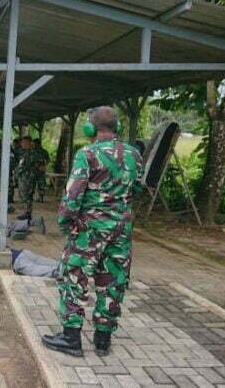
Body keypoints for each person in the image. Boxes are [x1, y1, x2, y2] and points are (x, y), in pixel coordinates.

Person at [42, 106, 143, 357]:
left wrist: (66, 224)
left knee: (74, 277)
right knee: (113, 281)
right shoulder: (134, 154)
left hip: (90, 229)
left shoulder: (86, 154)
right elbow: (137, 190)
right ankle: (102, 340)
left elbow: (73, 194)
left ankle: (71, 338)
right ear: (116, 127)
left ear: (91, 127)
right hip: (121, 230)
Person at [16, 137, 42, 219]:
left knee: (27, 196)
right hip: (23, 178)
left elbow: (41, 166)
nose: (22, 144)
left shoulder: (33, 153)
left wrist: (35, 175)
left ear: (29, 143)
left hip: (29, 179)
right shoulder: (24, 153)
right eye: (22, 143)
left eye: (24, 142)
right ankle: (26, 212)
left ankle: (27, 213)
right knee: (24, 196)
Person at [33, 138, 50, 202]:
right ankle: (33, 197)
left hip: (40, 170)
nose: (34, 145)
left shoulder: (44, 151)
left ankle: (41, 198)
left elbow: (48, 160)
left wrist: (44, 166)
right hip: (33, 170)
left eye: (35, 143)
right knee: (32, 184)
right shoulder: (32, 151)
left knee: (41, 184)